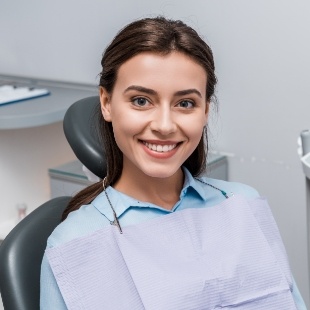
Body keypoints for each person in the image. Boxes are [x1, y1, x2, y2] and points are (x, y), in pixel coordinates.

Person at [40, 17, 306, 309]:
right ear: (106, 103)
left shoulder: (241, 204)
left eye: (185, 103)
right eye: (141, 101)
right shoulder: (74, 242)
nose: (165, 125)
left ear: (206, 110)